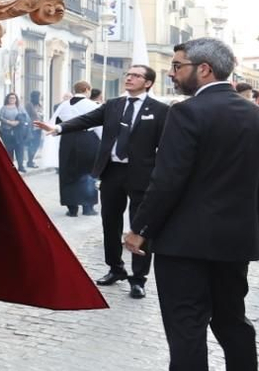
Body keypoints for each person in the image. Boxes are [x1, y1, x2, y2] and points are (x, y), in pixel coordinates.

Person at [124, 38, 259, 371]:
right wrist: (251, 233)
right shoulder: (258, 116)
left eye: (177, 65)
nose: (172, 72)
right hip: (235, 244)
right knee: (234, 326)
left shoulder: (187, 112)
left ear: (204, 69)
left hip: (185, 245)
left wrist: (140, 229)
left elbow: (168, 179)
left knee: (187, 331)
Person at [39, 64, 170, 298]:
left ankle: (138, 278)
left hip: (141, 174)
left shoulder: (160, 110)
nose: (129, 78)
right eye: (128, 74)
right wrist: (58, 128)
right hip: (112, 172)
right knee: (110, 222)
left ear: (148, 82)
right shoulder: (113, 105)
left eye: (136, 76)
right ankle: (115, 268)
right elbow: (86, 120)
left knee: (140, 224)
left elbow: (168, 145)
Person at [48, 82, 101, 218]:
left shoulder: (63, 105)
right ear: (87, 90)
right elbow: (99, 126)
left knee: (68, 171)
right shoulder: (92, 105)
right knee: (88, 171)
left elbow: (55, 124)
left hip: (68, 140)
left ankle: (72, 208)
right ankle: (88, 207)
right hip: (87, 139)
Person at [0, 93, 32, 172]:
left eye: (14, 98)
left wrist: (18, 122)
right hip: (6, 132)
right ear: (7, 99)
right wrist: (8, 122)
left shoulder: (20, 107)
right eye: (10, 98)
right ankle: (10, 166)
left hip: (19, 132)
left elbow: (26, 117)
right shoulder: (4, 108)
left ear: (16, 99)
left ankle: (20, 166)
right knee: (9, 149)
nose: (12, 99)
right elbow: (0, 117)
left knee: (19, 149)